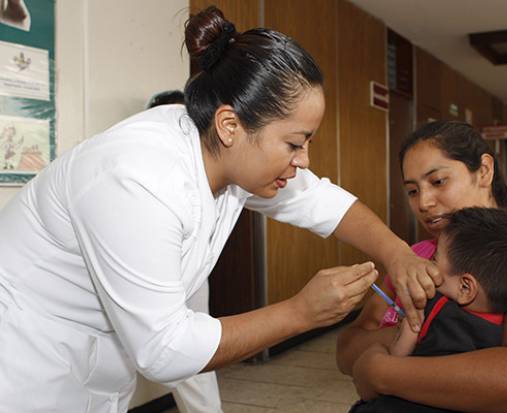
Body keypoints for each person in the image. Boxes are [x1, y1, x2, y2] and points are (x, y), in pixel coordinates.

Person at [0, 6, 439, 413]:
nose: (303, 160)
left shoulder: (228, 156)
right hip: (25, 365)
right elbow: (165, 348)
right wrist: (300, 313)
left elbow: (321, 201)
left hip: (93, 366)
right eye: (294, 143)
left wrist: (398, 255)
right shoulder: (136, 178)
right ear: (230, 124)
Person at [337, 121, 507, 412]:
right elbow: (347, 349)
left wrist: (381, 370)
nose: (424, 202)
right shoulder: (415, 255)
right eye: (412, 191)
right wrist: (410, 334)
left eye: (438, 181)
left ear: (485, 171)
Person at [348, 207, 507, 413]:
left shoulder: (431, 305)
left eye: (433, 260)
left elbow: (398, 353)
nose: (426, 265)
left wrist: (377, 353)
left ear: (465, 287)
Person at [145, 89, 222, 413]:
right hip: (150, 271)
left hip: (190, 272)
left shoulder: (207, 171)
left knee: (193, 351)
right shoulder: (141, 172)